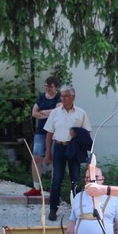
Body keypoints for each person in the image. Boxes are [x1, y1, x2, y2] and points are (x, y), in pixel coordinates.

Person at [43, 85, 91, 222]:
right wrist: (48, 153)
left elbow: (87, 133)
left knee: (75, 179)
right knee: (56, 179)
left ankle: (77, 209)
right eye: (62, 96)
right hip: (59, 146)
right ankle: (53, 209)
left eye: (66, 95)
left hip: (73, 147)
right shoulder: (55, 113)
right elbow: (49, 134)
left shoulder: (81, 113)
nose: (63, 98)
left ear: (73, 97)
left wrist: (78, 133)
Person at [25, 76, 62, 197]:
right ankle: (36, 187)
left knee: (55, 159)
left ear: (56, 87)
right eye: (46, 86)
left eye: (50, 87)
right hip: (41, 131)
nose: (48, 89)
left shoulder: (59, 97)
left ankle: (53, 188)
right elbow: (34, 113)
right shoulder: (41, 96)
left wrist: (43, 112)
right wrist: (48, 113)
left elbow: (58, 111)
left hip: (55, 132)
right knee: (36, 157)